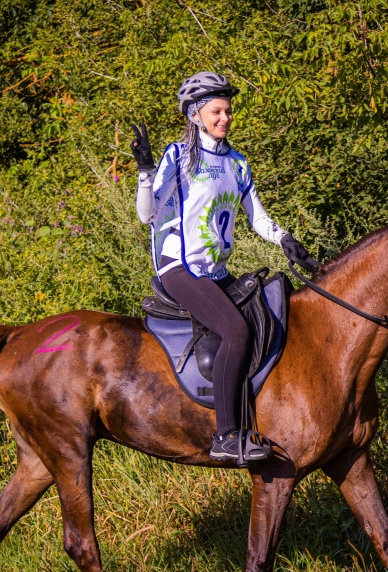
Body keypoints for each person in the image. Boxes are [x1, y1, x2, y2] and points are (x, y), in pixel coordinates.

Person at [130, 71, 312, 463]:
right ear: (196, 115)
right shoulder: (177, 157)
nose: (225, 118)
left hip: (214, 272)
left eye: (228, 111)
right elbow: (147, 215)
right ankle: (227, 436)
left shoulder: (237, 162)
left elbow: (258, 219)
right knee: (234, 327)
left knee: (272, 318)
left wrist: (285, 240)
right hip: (179, 268)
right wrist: (145, 170)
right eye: (217, 111)